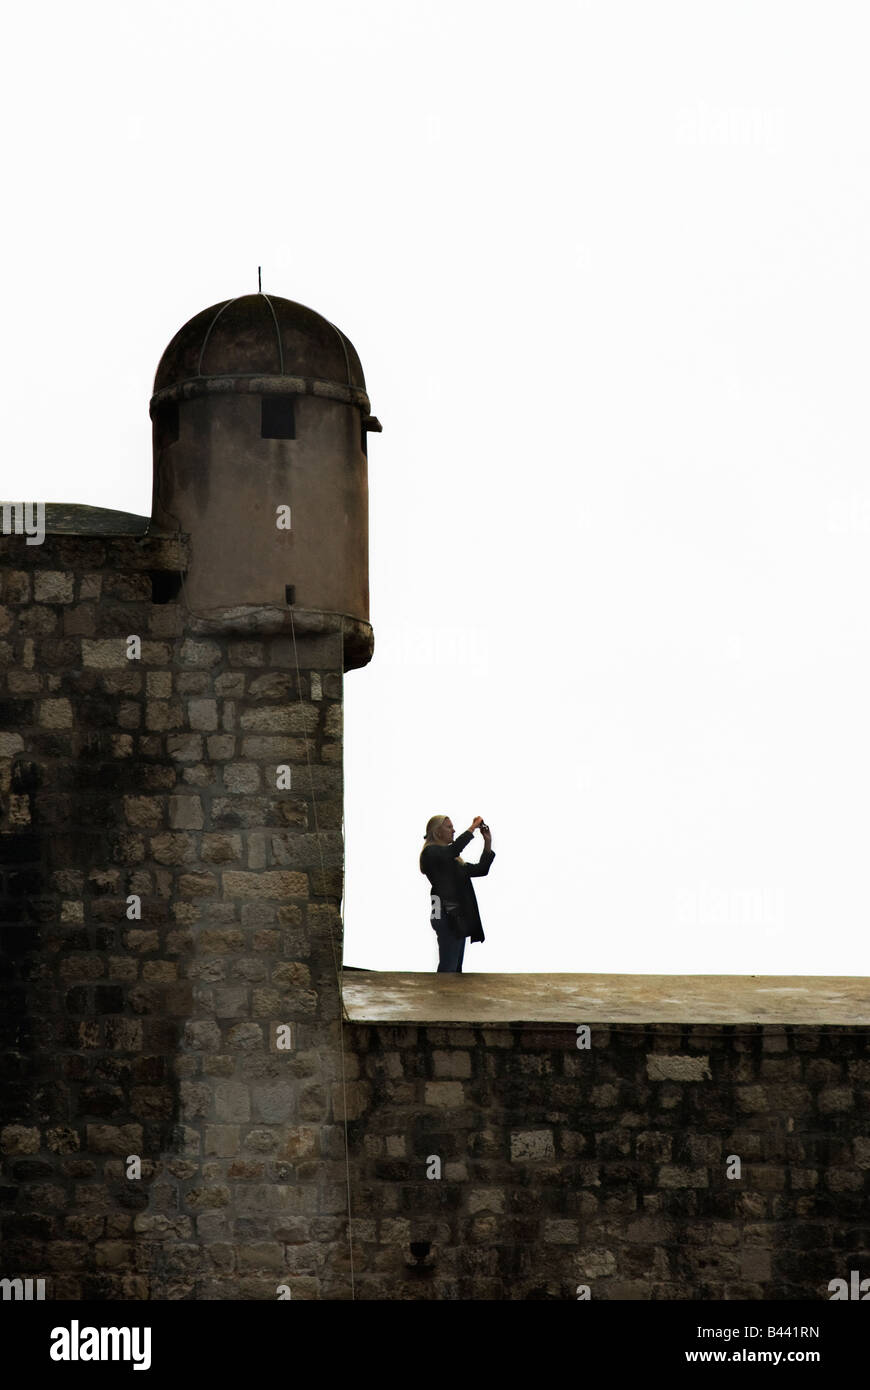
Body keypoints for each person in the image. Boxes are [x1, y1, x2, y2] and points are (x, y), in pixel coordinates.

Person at [420, 814, 495, 973]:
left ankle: (448, 996)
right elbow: (453, 850)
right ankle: (442, 996)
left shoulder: (451, 860)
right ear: (437, 832)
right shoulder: (431, 853)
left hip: (456, 915)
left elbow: (481, 869)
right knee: (449, 968)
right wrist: (472, 828)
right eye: (449, 827)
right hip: (445, 914)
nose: (453, 830)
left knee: (455, 970)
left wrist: (487, 842)